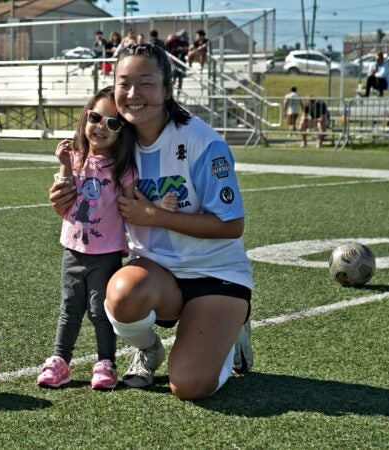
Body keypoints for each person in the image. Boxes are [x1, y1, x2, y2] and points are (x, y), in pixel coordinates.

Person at [49, 43, 253, 400]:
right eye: (124, 83)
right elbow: (92, 195)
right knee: (121, 293)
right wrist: (63, 200)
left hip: (215, 275)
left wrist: (155, 216)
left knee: (188, 386)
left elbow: (231, 226)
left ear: (167, 89)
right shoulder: (117, 139)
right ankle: (149, 349)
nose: (132, 94)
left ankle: (230, 332)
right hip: (157, 273)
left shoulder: (201, 141)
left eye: (145, 83)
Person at [37, 87, 141, 390]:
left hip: (106, 253)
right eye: (95, 117)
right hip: (73, 250)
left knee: (99, 310)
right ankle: (60, 361)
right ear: (85, 118)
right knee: (69, 307)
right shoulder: (76, 159)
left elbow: (133, 203)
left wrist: (160, 208)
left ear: (122, 133)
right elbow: (65, 196)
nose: (101, 127)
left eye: (112, 123)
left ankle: (106, 361)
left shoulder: (122, 168)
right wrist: (65, 165)